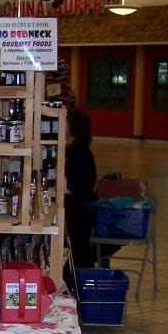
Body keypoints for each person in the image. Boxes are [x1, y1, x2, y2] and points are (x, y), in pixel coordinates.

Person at [63, 108, 98, 268]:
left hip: (80, 210)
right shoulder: (72, 150)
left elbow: (79, 183)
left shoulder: (79, 153)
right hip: (80, 205)